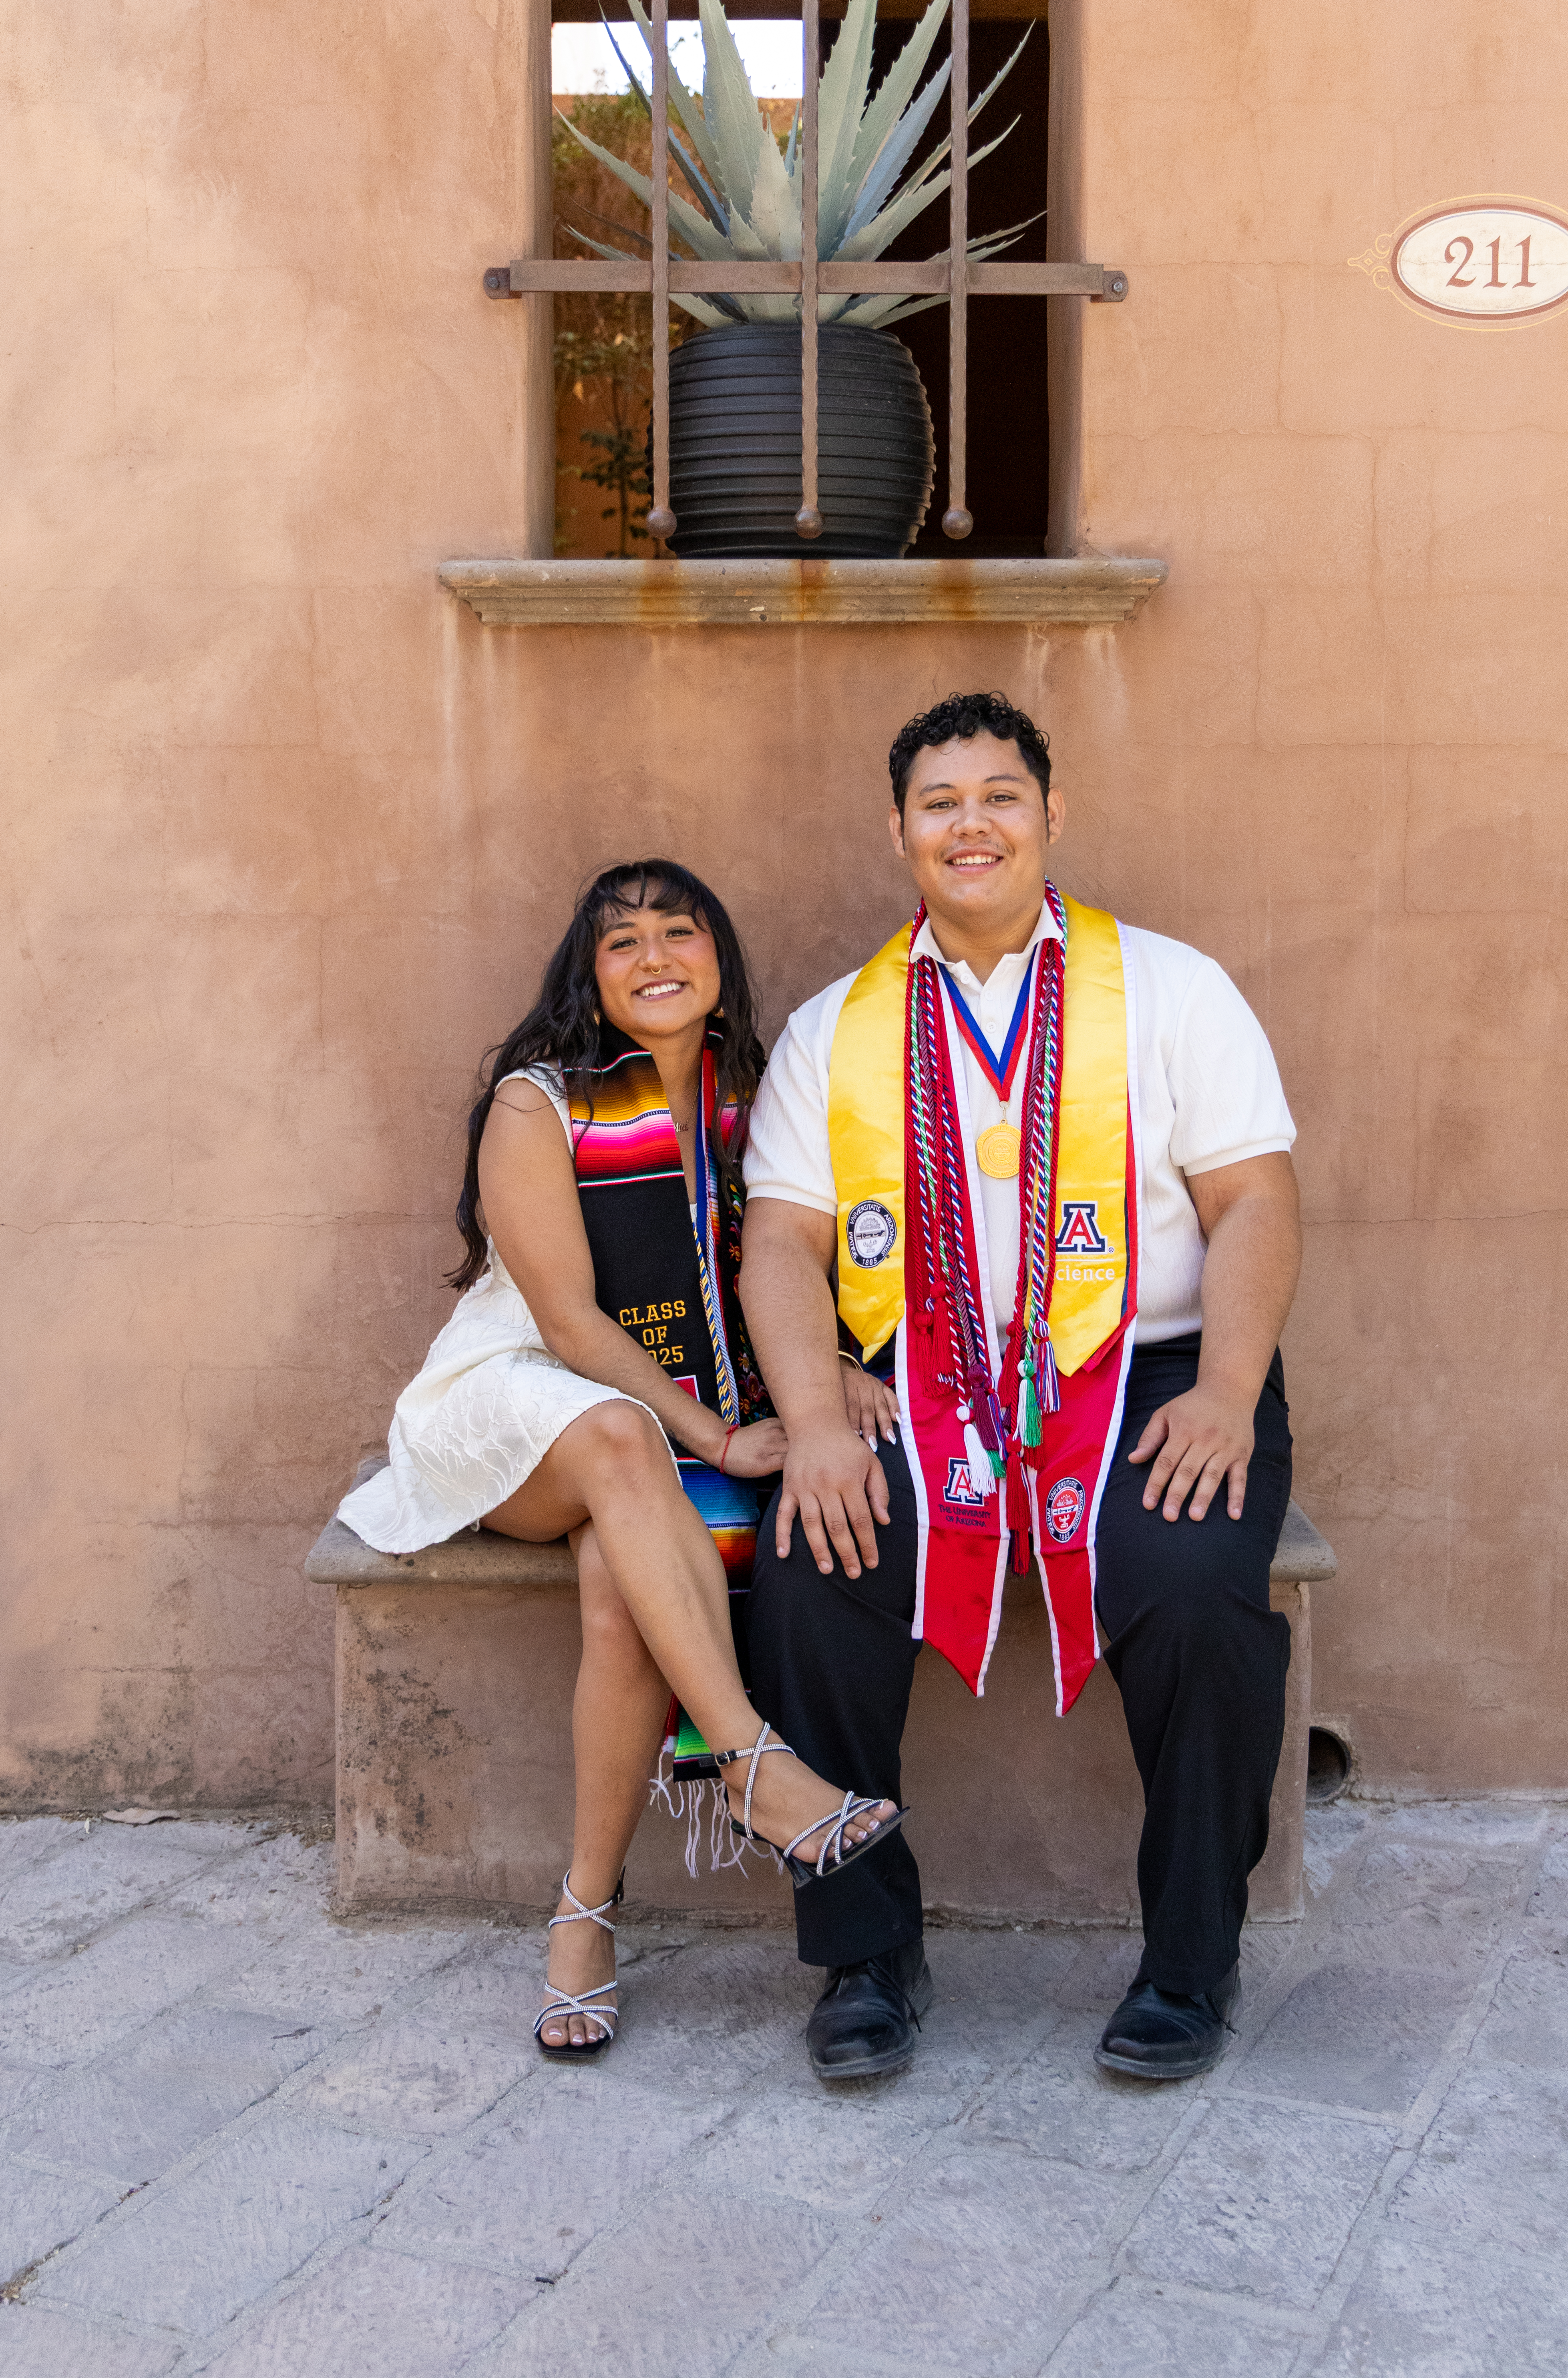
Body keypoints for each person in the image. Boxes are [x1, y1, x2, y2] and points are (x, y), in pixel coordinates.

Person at [738, 693, 1302, 2084]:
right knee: (811, 1575)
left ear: (1054, 816)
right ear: (901, 832)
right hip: (916, 1384)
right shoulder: (838, 1028)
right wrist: (814, 1416)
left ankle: (1191, 1957)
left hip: (1151, 1371)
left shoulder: (1170, 988)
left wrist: (1229, 1388)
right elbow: (782, 1242)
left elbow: (1256, 1202)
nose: (971, 823)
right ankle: (869, 1950)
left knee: (1195, 1588)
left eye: (1000, 795)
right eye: (941, 802)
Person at [338, 860, 904, 2058]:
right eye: (622, 943)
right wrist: (714, 1433)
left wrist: (838, 1364)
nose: (654, 957)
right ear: (587, 978)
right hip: (516, 1402)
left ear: (719, 956)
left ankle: (582, 1915)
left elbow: (804, 1258)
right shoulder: (538, 1103)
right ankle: (754, 1763)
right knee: (617, 1437)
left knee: (619, 1587)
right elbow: (570, 1323)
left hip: (643, 1446)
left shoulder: (764, 1097)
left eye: (678, 932)